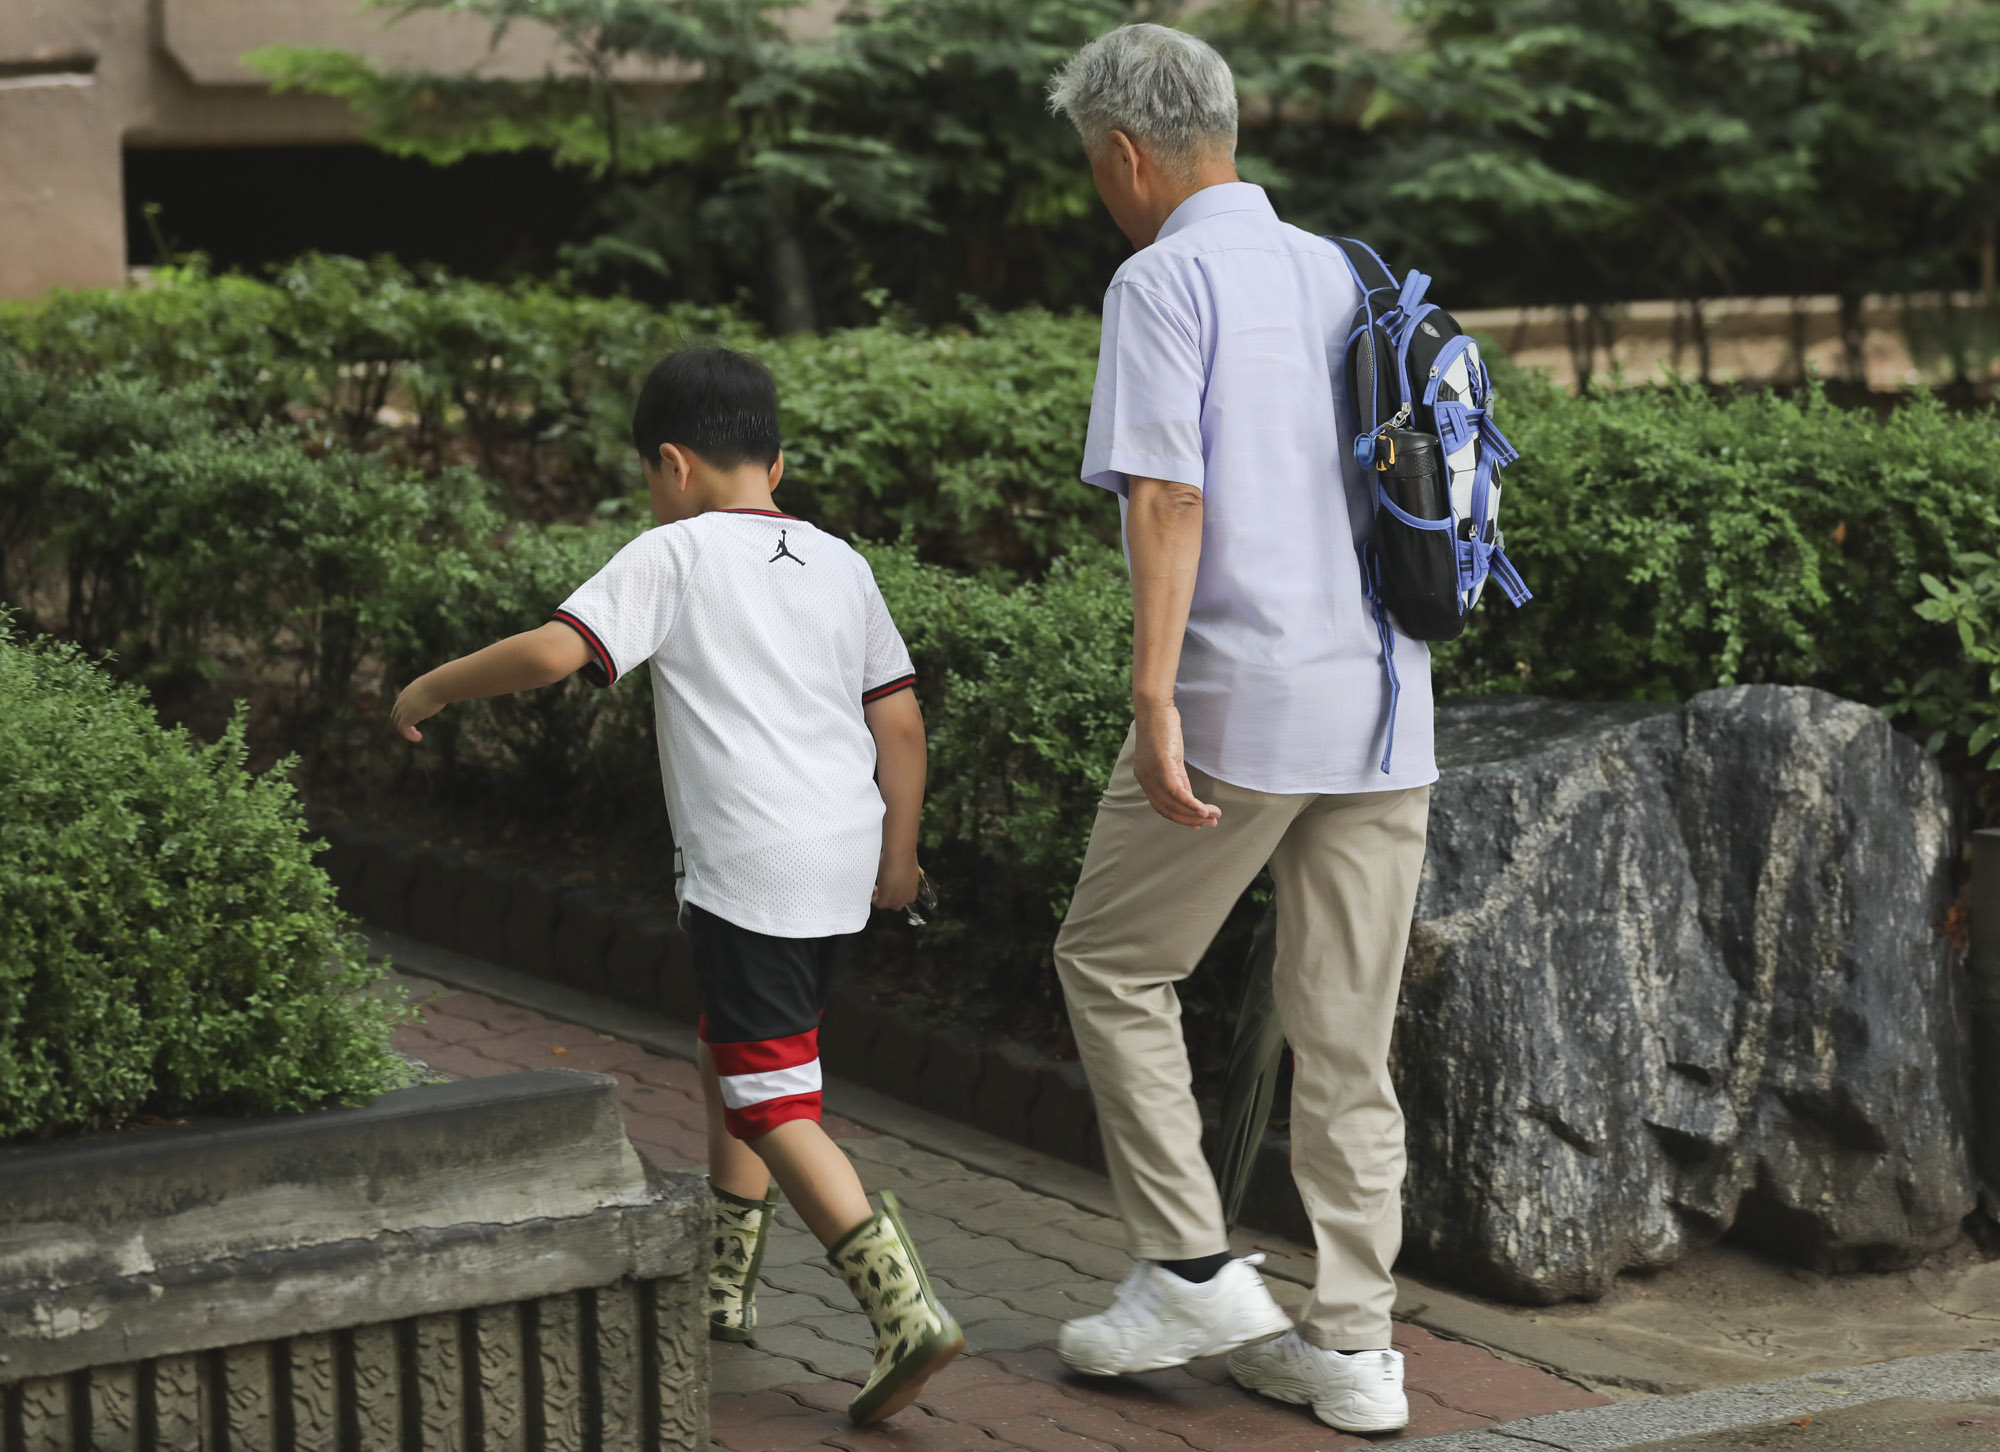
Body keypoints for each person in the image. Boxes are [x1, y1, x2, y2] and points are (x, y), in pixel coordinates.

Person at [388, 347, 962, 1426]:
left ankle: (901, 1309)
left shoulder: (676, 552)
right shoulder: (839, 561)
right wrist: (899, 857)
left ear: (672, 463)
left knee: (769, 1092)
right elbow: (898, 719)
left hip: (752, 863)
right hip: (841, 854)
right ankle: (723, 1283)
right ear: (777, 460)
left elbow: (558, 654)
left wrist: (432, 684)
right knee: (732, 1046)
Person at [1043, 24, 1435, 1436]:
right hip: (1389, 705)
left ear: (1127, 153)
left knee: (1111, 960)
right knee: (1345, 1041)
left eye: (1096, 164)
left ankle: (1192, 1265)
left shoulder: (1164, 277)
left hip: (1242, 700)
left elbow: (1167, 499)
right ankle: (1353, 1350)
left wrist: (1153, 696)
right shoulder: (1349, 269)